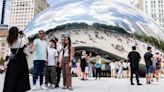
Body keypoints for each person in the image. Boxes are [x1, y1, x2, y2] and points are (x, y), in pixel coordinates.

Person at [3, 27, 30, 92]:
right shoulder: (21, 40)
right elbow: (27, 42)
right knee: (21, 76)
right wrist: (24, 35)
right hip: (21, 59)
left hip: (13, 60)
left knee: (12, 76)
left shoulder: (9, 40)